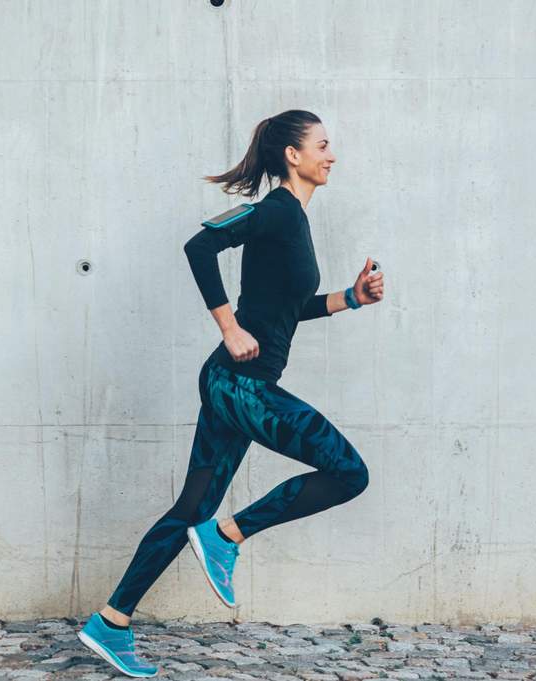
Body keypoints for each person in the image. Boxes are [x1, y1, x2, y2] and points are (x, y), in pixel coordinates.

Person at [77, 109, 385, 677]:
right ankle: (226, 537)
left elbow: (289, 308)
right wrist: (228, 326)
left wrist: (351, 297)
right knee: (348, 472)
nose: (331, 154)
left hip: (234, 386)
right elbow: (199, 248)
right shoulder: (275, 211)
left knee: (189, 508)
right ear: (293, 155)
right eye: (322, 144)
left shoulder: (294, 219)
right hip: (239, 383)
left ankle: (110, 622)